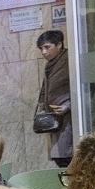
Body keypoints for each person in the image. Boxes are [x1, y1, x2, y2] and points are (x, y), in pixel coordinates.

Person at [35, 30, 75, 168]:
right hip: (56, 119)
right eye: (41, 48)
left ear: (59, 44)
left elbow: (86, 88)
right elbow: (46, 88)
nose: (44, 52)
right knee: (61, 158)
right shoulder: (51, 64)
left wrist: (68, 105)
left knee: (66, 158)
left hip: (70, 119)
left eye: (47, 47)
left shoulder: (70, 60)